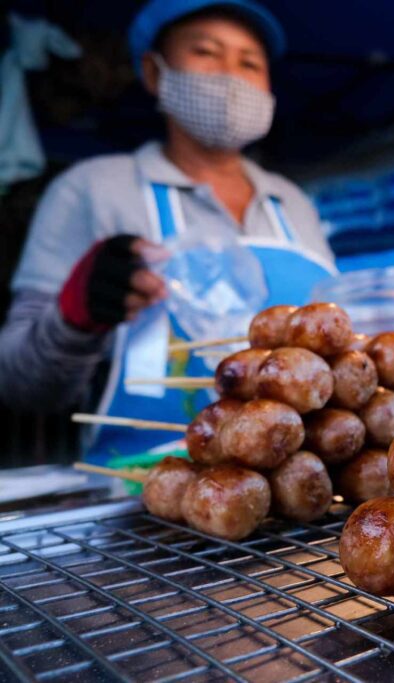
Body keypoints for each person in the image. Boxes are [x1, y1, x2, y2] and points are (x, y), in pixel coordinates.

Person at [0, 0, 337, 462]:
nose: (230, 75)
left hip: (296, 483)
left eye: (250, 62)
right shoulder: (93, 189)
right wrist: (76, 317)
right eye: (206, 52)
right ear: (155, 73)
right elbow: (18, 383)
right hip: (135, 495)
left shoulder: (293, 203)